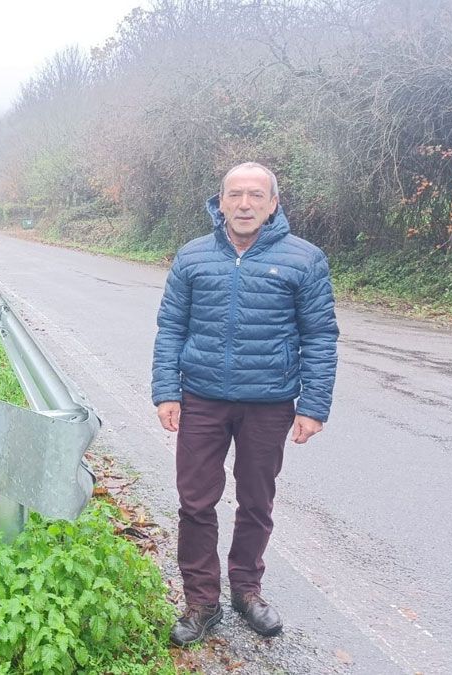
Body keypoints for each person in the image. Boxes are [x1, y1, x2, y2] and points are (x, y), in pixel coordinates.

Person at [150, 162, 339, 646]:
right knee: (195, 502)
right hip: (202, 399)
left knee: (256, 501)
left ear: (273, 204)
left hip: (269, 403)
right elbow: (171, 328)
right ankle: (202, 601)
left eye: (256, 195)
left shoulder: (304, 259)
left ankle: (247, 590)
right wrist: (167, 391)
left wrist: (313, 405)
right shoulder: (193, 256)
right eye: (235, 194)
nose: (245, 204)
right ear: (221, 201)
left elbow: (320, 336)